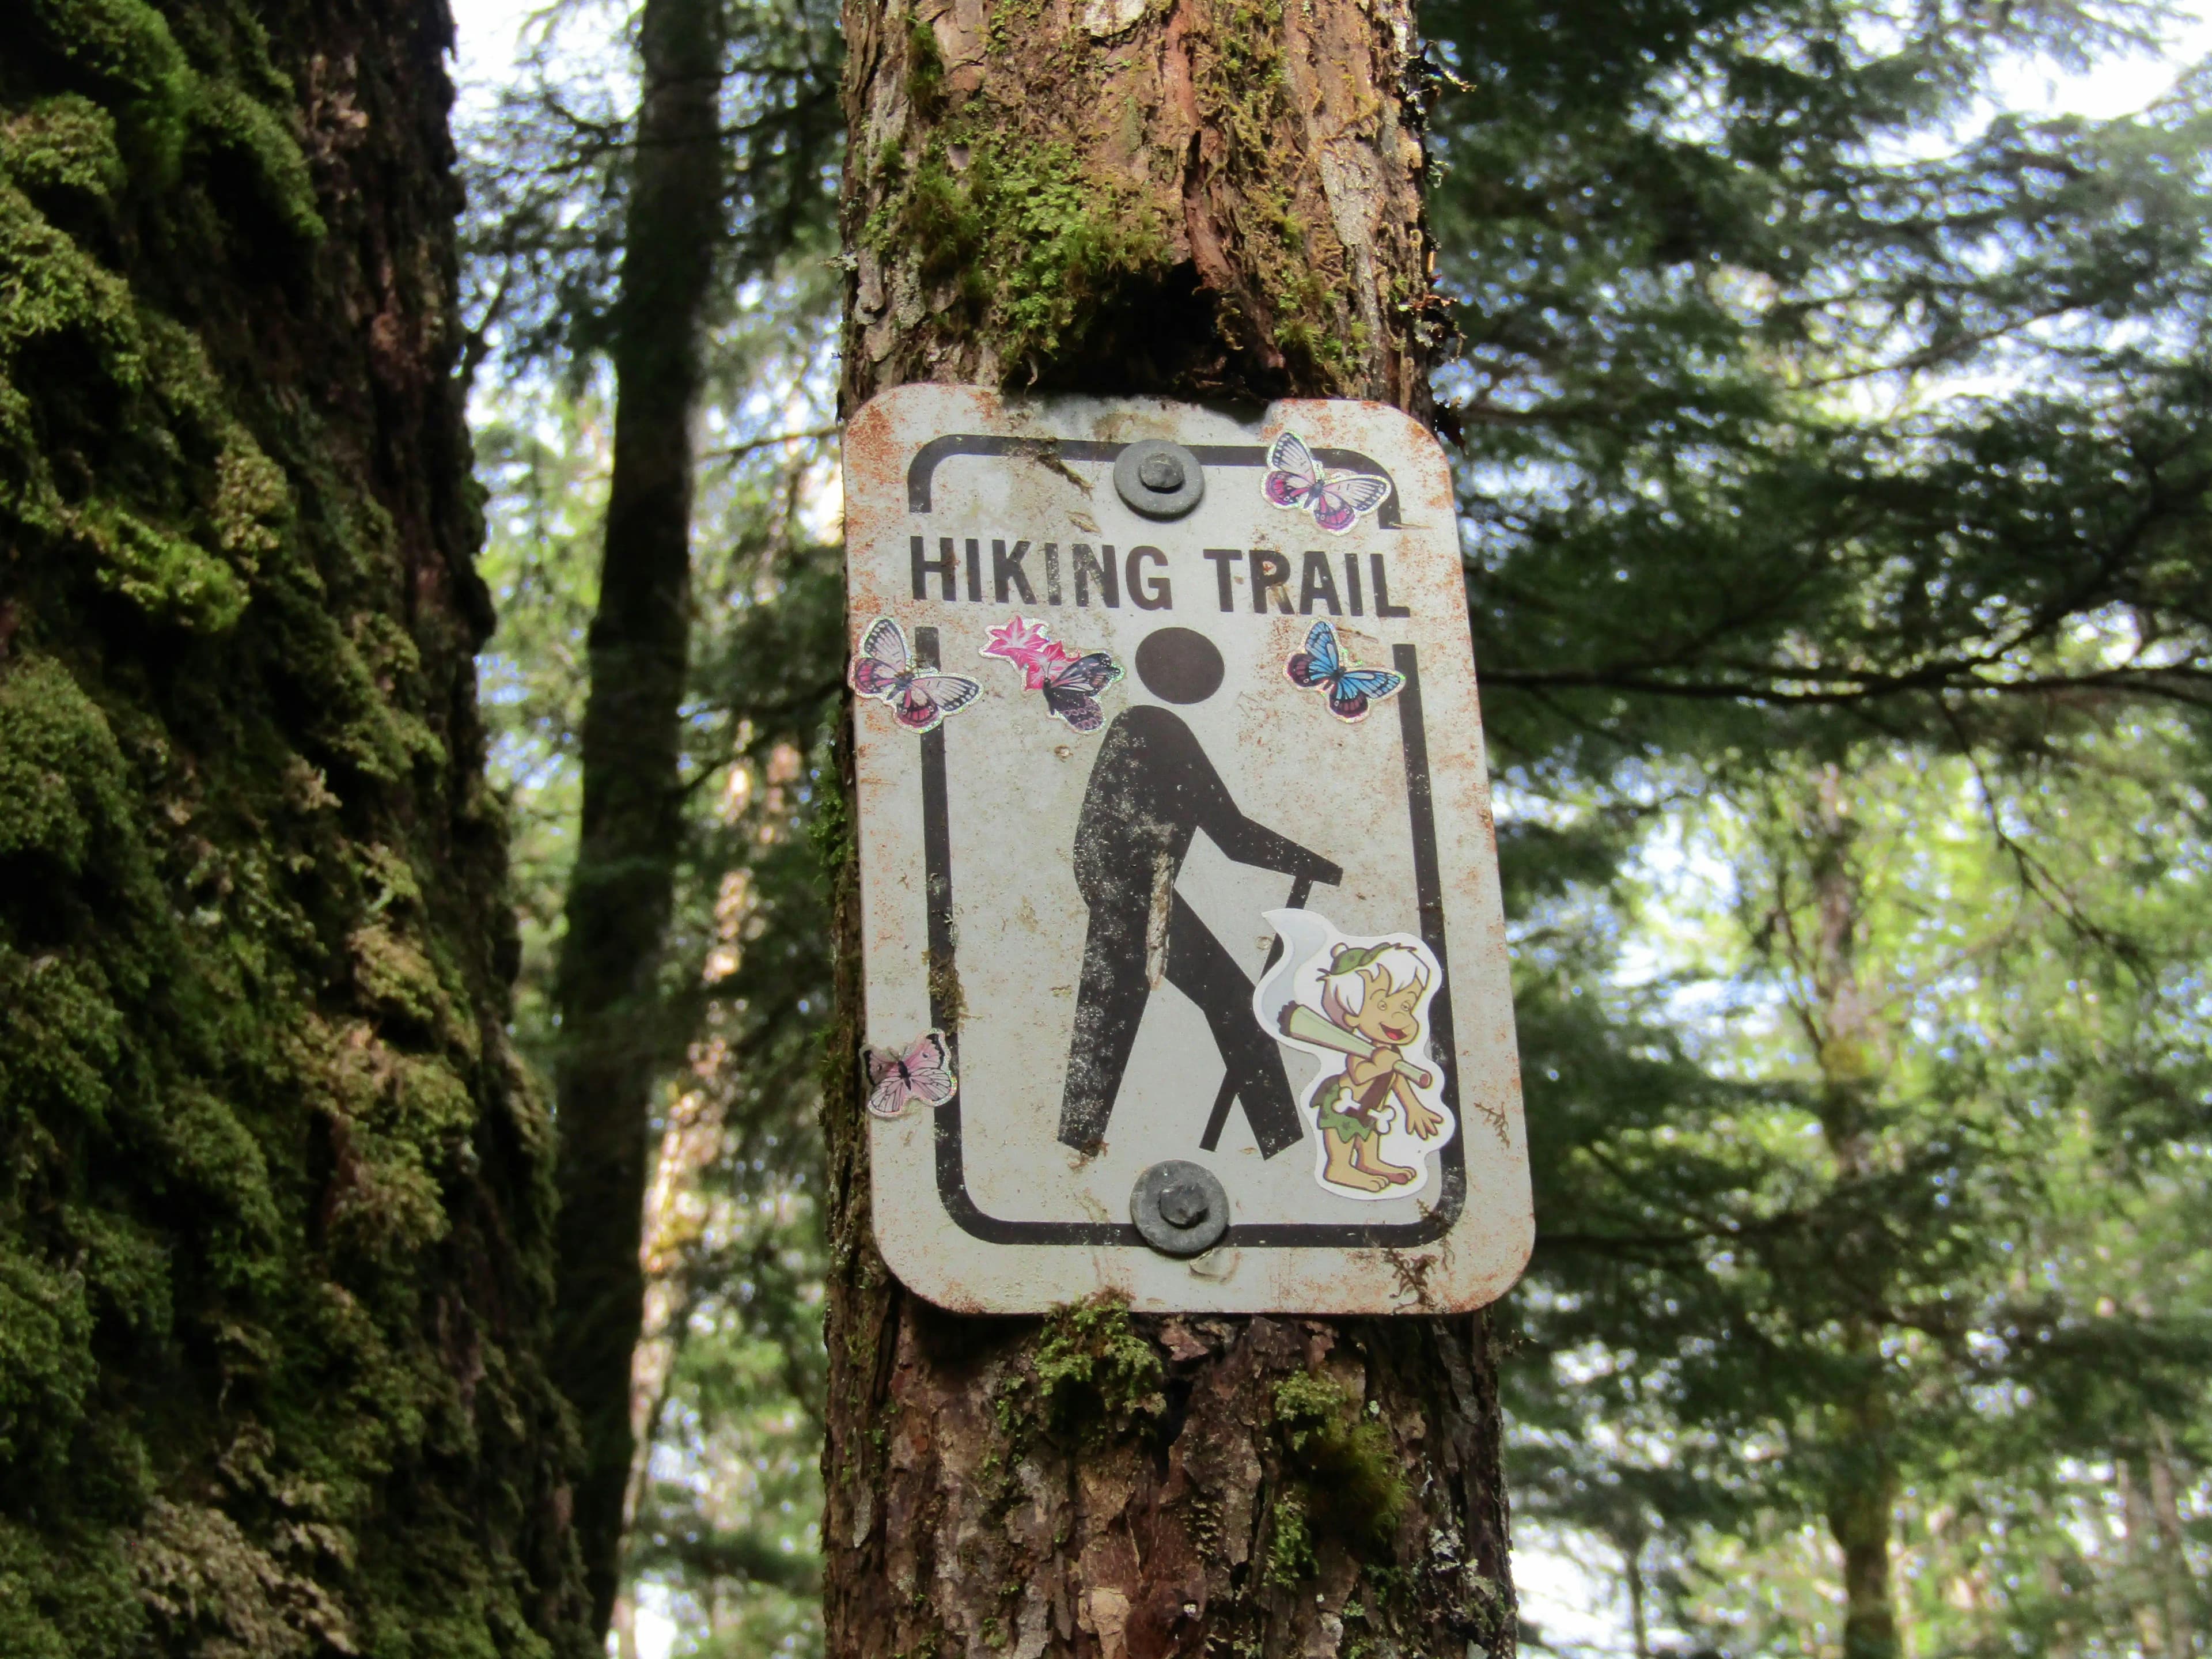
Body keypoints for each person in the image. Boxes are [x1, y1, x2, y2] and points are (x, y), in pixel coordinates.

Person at [1059, 628, 1340, 1156]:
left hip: (1133, 896)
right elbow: (1225, 835)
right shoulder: (1149, 727)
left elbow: (1231, 836)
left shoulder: (1163, 730)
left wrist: (1320, 868)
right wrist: (1120, 902)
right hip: (1133, 898)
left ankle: (1075, 1148)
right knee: (1226, 1005)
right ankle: (1283, 1145)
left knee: (1107, 1031)